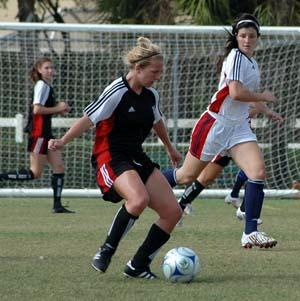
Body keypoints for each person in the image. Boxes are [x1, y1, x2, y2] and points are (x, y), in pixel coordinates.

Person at [48, 37, 182, 279]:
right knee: (138, 199)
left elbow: (157, 120)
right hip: (110, 155)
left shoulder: (152, 95)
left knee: (173, 212)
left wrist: (170, 148)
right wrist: (62, 141)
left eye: (160, 72)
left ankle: (137, 265)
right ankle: (106, 250)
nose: (158, 76)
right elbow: (88, 119)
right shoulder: (117, 91)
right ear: (138, 68)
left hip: (136, 157)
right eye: (154, 71)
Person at [164, 13, 278, 249]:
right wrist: (263, 96)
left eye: (252, 36)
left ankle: (250, 233)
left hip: (238, 128)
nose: (247, 40)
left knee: (257, 172)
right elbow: (236, 93)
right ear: (236, 37)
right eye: (243, 35)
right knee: (186, 176)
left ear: (258, 38)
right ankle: (147, 181)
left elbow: (246, 100)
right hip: (216, 124)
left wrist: (267, 110)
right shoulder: (235, 56)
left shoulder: (252, 63)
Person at [179, 102, 283, 226]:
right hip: (224, 137)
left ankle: (242, 208)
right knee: (205, 178)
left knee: (254, 170)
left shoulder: (249, 93)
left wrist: (266, 111)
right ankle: (179, 208)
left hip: (239, 138)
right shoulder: (233, 91)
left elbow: (254, 106)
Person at [0, 57, 74, 214]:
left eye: (52, 67)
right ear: (39, 70)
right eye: (46, 68)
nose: (50, 70)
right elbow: (37, 110)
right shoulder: (41, 85)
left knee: (59, 167)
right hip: (38, 134)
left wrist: (59, 109)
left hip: (46, 134)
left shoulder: (47, 86)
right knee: (35, 173)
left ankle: (57, 205)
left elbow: (43, 110)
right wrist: (57, 107)